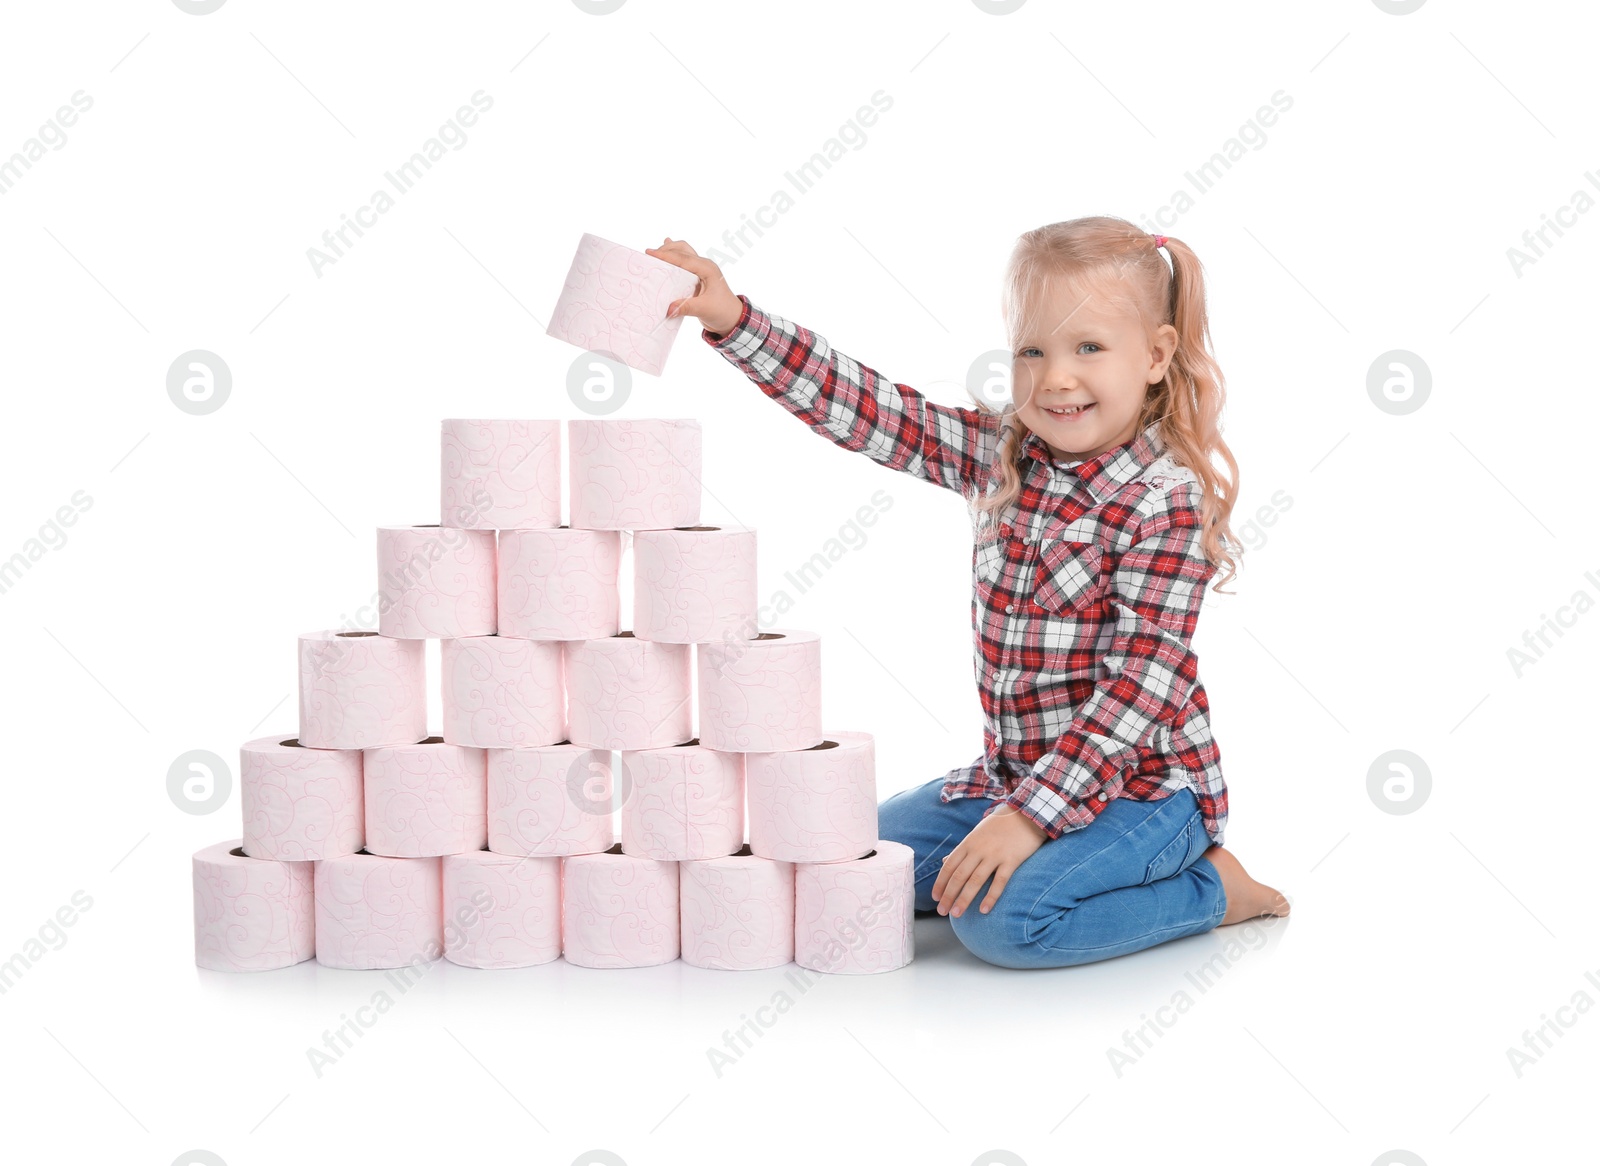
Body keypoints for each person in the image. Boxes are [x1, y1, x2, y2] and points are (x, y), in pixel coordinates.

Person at [646, 217, 1288, 970]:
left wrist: (1030, 821)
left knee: (1006, 925)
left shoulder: (1160, 500)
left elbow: (1141, 688)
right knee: (849, 860)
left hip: (1143, 796)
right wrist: (735, 322)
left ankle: (1213, 890)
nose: (1055, 377)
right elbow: (874, 411)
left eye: (1089, 348)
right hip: (1015, 781)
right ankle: (1037, 841)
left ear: (1154, 356)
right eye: (1033, 351)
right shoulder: (1002, 455)